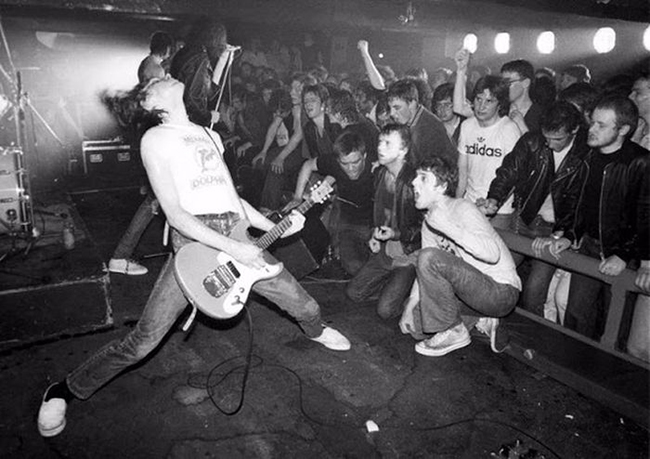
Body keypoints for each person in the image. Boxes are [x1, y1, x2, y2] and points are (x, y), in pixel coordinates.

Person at [36, 75, 351, 438]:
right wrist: (235, 249)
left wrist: (277, 226)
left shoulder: (210, 135)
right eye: (156, 80)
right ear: (149, 103)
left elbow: (235, 200)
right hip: (197, 242)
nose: (165, 75)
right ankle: (64, 390)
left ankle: (315, 330)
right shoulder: (155, 139)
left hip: (236, 229)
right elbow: (174, 214)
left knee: (306, 306)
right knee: (143, 340)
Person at [540, 95, 649, 340]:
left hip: (625, 257)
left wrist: (625, 255)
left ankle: (607, 377)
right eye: (593, 122)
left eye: (601, 125)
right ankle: (572, 368)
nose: (593, 129)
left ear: (622, 129)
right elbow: (575, 202)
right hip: (589, 245)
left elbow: (645, 216)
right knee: (577, 314)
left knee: (616, 322)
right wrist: (568, 234)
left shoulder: (641, 162)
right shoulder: (587, 157)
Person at [400, 157, 521, 357]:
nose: (413, 182)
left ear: (442, 186)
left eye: (422, 178)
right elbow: (424, 272)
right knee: (415, 323)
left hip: (500, 292)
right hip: (469, 294)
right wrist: (411, 304)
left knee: (430, 257)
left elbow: (492, 254)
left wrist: (449, 228)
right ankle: (482, 319)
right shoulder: (429, 221)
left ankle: (454, 330)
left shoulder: (463, 208)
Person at [482, 101, 589, 315]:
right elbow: (509, 171)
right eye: (546, 137)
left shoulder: (586, 154)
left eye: (557, 138)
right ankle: (492, 325)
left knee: (534, 292)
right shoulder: (532, 142)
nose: (549, 144)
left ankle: (534, 343)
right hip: (524, 219)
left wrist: (561, 235)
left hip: (553, 231)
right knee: (496, 277)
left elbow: (580, 203)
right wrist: (494, 199)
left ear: (574, 130)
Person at [346, 124, 421, 319]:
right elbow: (377, 211)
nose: (380, 147)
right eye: (380, 142)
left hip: (408, 254)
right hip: (386, 250)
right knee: (354, 293)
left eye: (388, 143)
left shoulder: (414, 182)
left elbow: (426, 228)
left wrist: (396, 234)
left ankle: (412, 294)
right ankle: (393, 286)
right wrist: (374, 234)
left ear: (403, 150)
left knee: (386, 311)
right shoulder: (379, 174)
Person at [292, 130, 374, 275]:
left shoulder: (376, 165)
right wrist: (298, 197)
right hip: (351, 223)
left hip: (375, 221)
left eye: (356, 162)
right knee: (353, 267)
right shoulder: (333, 162)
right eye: (345, 164)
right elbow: (308, 165)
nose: (351, 168)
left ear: (365, 156)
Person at [455, 74, 521, 229]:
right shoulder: (467, 126)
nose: (481, 106)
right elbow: (462, 172)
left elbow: (515, 176)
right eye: (478, 99)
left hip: (499, 210)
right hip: (470, 203)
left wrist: (494, 203)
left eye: (489, 101)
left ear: (500, 104)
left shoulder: (509, 129)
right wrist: (456, 203)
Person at [386, 79, 457, 167]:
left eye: (397, 108)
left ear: (412, 103)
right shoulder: (414, 121)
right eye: (390, 108)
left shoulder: (428, 130)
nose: (392, 113)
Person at [501, 59, 543, 133]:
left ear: (526, 83)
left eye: (508, 83)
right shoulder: (499, 111)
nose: (503, 87)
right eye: (502, 83)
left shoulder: (541, 115)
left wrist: (522, 127)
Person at [432, 83, 464, 147]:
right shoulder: (431, 127)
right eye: (438, 105)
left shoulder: (465, 126)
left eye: (446, 105)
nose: (442, 110)